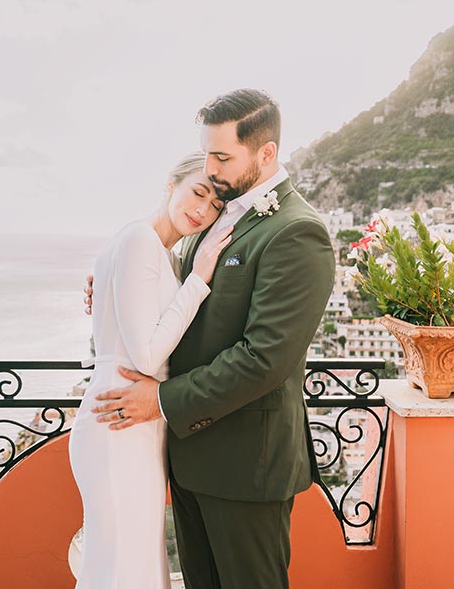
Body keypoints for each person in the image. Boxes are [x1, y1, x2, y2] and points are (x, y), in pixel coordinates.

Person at [88, 89, 336, 589]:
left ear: (266, 154)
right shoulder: (215, 219)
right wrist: (114, 285)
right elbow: (176, 297)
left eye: (223, 156)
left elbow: (264, 358)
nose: (212, 168)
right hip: (190, 458)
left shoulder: (297, 232)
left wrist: (160, 399)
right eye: (207, 154)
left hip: (246, 465)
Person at [69, 151, 233, 589]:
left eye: (215, 206)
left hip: (136, 418)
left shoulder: (163, 255)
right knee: (121, 562)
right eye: (197, 193)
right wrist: (199, 281)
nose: (202, 210)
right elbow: (144, 357)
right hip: (118, 416)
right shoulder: (142, 241)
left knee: (132, 559)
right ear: (171, 185)